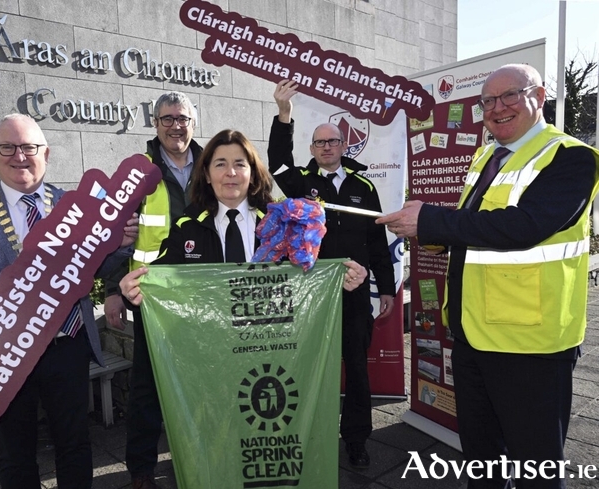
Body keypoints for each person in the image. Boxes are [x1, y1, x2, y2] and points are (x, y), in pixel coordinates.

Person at [377, 64, 599, 488]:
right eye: (487, 102)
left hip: (531, 344)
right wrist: (432, 233)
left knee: (536, 467)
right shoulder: (487, 155)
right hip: (472, 334)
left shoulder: (571, 157)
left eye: (510, 96)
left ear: (541, 95)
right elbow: (473, 224)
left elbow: (524, 227)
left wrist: (435, 223)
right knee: (482, 460)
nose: (497, 108)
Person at [0, 114, 139, 489]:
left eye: (28, 147)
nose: (19, 156)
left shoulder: (77, 206)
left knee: (75, 443)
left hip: (68, 346)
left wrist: (121, 244)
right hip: (3, 356)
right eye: (7, 147)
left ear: (46, 152)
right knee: (15, 452)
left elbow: (96, 267)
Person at [268, 80, 396, 468]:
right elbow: (275, 159)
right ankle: (307, 436)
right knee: (309, 368)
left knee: (356, 369)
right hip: (310, 293)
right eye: (320, 143)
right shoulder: (300, 183)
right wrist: (283, 114)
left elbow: (377, 241)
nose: (326, 147)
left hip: (355, 295)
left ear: (344, 146)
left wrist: (386, 288)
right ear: (312, 149)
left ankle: (356, 440)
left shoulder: (363, 186)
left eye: (333, 142)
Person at [119, 128, 368, 303]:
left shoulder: (283, 223)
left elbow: (312, 277)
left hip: (271, 348)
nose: (231, 173)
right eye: (220, 164)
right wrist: (132, 293)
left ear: (252, 173)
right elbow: (158, 282)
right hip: (212, 351)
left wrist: (343, 279)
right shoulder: (188, 227)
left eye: (240, 163)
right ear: (206, 175)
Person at [102, 91, 204, 489]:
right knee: (148, 383)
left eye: (182, 118)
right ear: (155, 123)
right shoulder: (137, 170)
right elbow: (116, 234)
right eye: (167, 118)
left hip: (202, 294)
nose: (175, 126)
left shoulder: (212, 164)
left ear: (193, 122)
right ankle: (141, 469)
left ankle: (197, 454)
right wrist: (113, 290)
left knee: (201, 379)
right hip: (151, 295)